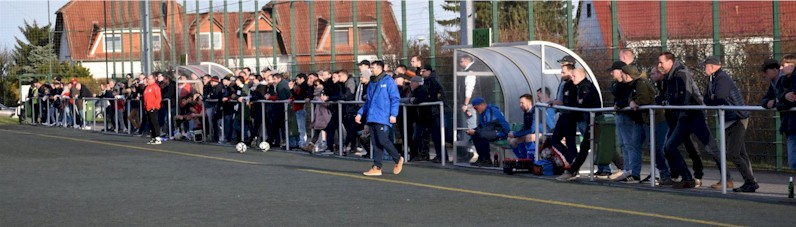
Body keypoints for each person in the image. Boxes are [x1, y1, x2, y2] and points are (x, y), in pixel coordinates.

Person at [658, 52, 721, 189]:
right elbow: (667, 97)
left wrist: (671, 103)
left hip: (693, 115)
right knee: (670, 147)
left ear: (670, 61)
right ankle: (687, 177)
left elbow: (685, 96)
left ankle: (725, 178)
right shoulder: (669, 77)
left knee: (709, 147)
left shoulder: (681, 74)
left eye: (661, 62)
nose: (659, 65)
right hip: (683, 117)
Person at [702, 56, 758, 192]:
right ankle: (749, 181)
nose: (704, 68)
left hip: (737, 117)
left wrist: (713, 98)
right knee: (740, 152)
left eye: (705, 66)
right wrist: (712, 98)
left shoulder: (722, 78)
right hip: (729, 118)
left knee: (733, 153)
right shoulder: (712, 79)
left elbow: (720, 97)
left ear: (712, 66)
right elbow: (707, 99)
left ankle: (750, 181)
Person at [357, 61, 404, 176]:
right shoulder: (372, 83)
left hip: (383, 116)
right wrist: (360, 113)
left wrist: (393, 114)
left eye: (372, 67)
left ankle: (398, 159)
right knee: (376, 142)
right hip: (372, 117)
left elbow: (395, 99)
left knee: (383, 140)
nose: (371, 70)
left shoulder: (388, 81)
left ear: (379, 68)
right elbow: (368, 101)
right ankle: (377, 167)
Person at [554, 68, 601, 181]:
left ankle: (572, 171)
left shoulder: (586, 87)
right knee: (591, 145)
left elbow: (585, 103)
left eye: (574, 76)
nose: (572, 78)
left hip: (591, 121)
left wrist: (580, 103)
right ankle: (572, 170)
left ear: (580, 75)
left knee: (589, 146)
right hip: (587, 120)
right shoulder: (578, 87)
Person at [760, 58, 796, 171]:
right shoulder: (777, 82)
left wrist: (777, 102)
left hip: (792, 123)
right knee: (793, 162)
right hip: (789, 124)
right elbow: (766, 99)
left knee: (793, 161)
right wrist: (770, 102)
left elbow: (790, 100)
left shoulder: (786, 79)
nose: (781, 68)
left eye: (783, 65)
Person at [465, 97, 511, 167]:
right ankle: (481, 158)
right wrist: (473, 131)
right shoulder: (483, 113)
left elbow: (490, 127)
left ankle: (487, 159)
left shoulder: (492, 111)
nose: (476, 110)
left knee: (482, 134)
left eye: (476, 108)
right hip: (492, 131)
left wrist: (475, 131)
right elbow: (481, 126)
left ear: (481, 105)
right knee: (476, 135)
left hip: (501, 133)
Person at [415, 64, 447, 163]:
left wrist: (418, 99)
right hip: (430, 112)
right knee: (431, 135)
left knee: (437, 135)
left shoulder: (433, 81)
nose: (421, 73)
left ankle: (442, 156)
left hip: (434, 112)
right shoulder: (428, 81)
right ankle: (439, 155)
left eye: (423, 71)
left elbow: (430, 96)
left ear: (428, 71)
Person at [508, 94, 539, 160]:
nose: (520, 105)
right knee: (512, 141)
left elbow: (533, 130)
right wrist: (515, 134)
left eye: (522, 103)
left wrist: (515, 134)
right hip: (530, 133)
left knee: (528, 137)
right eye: (520, 103)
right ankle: (522, 159)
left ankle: (532, 160)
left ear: (529, 102)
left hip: (540, 132)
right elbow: (525, 128)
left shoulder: (535, 111)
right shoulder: (526, 113)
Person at [143, 74, 163, 145]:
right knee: (150, 123)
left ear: (154, 79)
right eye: (148, 78)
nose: (148, 80)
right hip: (148, 108)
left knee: (155, 122)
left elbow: (158, 98)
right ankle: (153, 137)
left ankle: (158, 137)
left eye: (150, 78)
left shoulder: (155, 87)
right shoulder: (147, 87)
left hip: (153, 107)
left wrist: (155, 106)